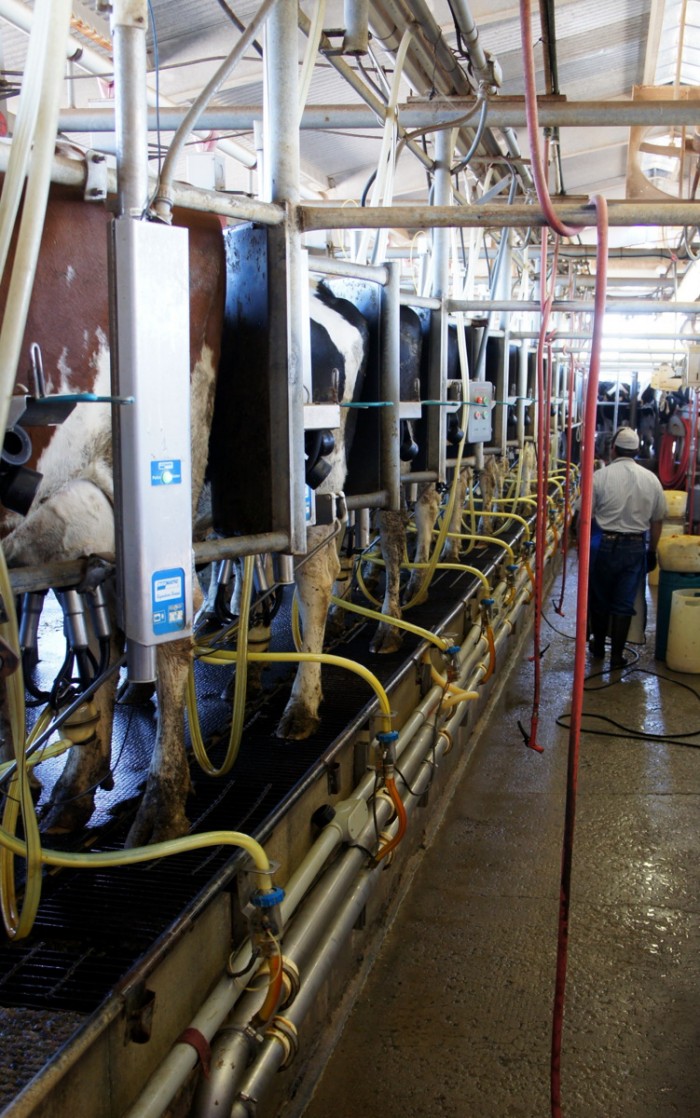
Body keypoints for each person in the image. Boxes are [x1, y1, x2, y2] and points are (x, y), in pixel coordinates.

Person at [576, 425, 668, 669]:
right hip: (636, 547)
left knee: (599, 597)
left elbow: (582, 516)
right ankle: (616, 656)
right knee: (624, 603)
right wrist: (652, 551)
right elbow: (657, 521)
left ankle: (597, 647)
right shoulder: (652, 479)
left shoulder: (600, 477)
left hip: (603, 545)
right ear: (637, 451)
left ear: (613, 449)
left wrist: (580, 545)